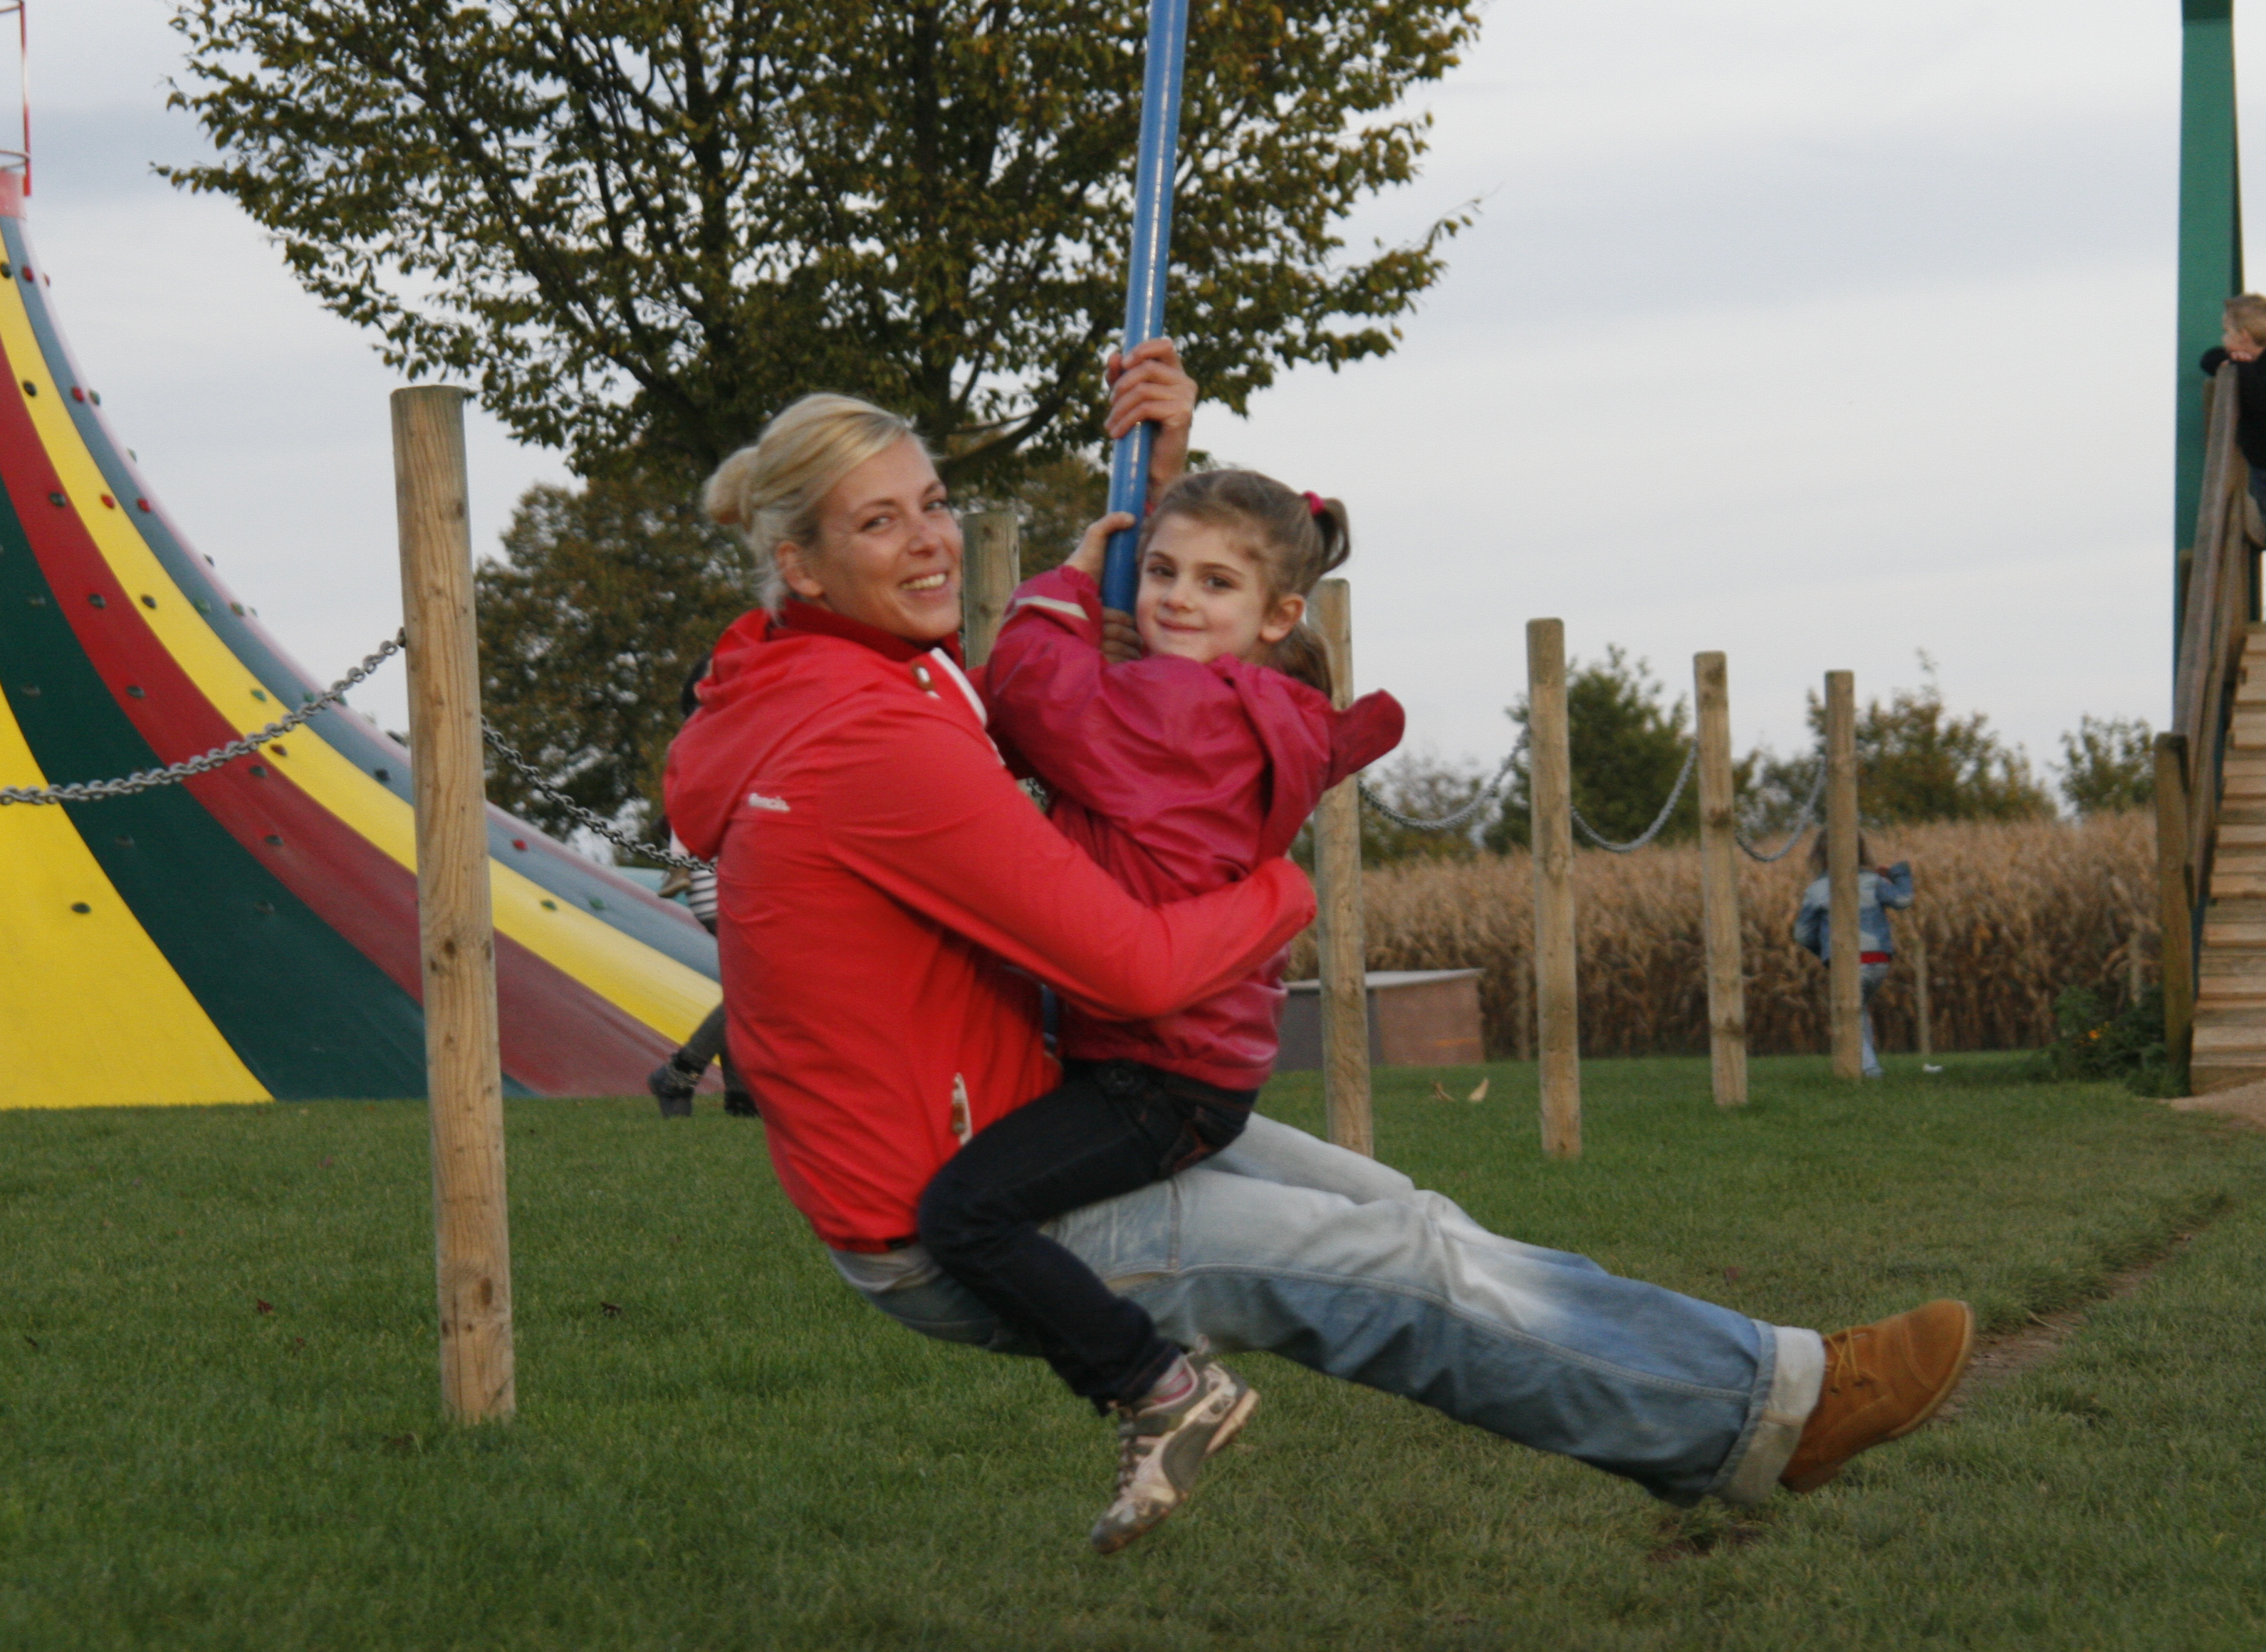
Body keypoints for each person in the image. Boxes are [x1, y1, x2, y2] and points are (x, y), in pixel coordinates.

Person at [661, 360, 1975, 1557]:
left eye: (931, 500)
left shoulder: (853, 679)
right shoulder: (864, 737)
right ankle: (1778, 1405)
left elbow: (1091, 706)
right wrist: (1275, 892)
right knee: (1399, 1277)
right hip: (965, 1213)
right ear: (801, 565)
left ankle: (1745, 1391)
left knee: (1408, 1218)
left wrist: (1155, 489)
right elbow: (1125, 960)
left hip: (1035, 1109)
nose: (931, 537)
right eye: (877, 521)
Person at [912, 470, 1403, 1549]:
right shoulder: (1246, 707)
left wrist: (1074, 586)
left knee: (962, 1215)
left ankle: (1156, 1384)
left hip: (1157, 1076)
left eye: (1214, 584)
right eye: (1163, 572)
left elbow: (1033, 697)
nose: (1177, 598)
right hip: (1178, 1062)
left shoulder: (1183, 712)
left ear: (1277, 619)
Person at [649, 656, 756, 1119]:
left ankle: (741, 1093)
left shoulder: (702, 734)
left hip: (712, 875)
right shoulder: (715, 731)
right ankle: (679, 1072)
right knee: (755, 990)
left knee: (745, 983)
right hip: (726, 874)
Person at [1792, 828, 1916, 1079]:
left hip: (1846, 962)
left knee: (1849, 1016)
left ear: (1818, 854)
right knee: (1858, 1010)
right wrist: (1897, 873)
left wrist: (1825, 951)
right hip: (1879, 961)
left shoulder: (1816, 890)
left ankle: (1870, 1071)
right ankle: (1866, 1066)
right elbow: (1903, 899)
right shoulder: (1873, 882)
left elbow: (1802, 934)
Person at [2199, 293, 2266, 518]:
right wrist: (2233, 362)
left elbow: (2258, 401)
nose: (2224, 339)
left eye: (2228, 332)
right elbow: (2209, 359)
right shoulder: (2249, 362)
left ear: (2244, 336)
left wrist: (2241, 368)